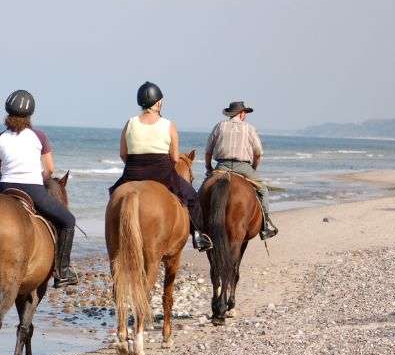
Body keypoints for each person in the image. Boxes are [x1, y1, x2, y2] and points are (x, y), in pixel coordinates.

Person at [0, 90, 78, 288]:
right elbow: (50, 169)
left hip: (4, 187)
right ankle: (62, 271)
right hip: (34, 189)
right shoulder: (39, 136)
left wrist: (8, 178)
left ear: (7, 114)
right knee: (68, 221)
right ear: (30, 115)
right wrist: (40, 178)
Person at [110, 82, 212, 251]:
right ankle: (198, 236)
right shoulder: (168, 125)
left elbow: (123, 154)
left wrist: (137, 165)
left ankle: (113, 233)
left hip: (132, 172)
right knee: (192, 197)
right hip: (161, 173)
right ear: (157, 103)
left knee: (114, 196)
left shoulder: (130, 123)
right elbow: (173, 157)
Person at [204, 101, 278, 239]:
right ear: (241, 113)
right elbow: (258, 153)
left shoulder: (219, 126)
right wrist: (253, 168)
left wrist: (208, 167)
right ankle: (266, 226)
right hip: (243, 167)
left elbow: (208, 151)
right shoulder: (249, 128)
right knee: (263, 190)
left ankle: (198, 228)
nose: (245, 115)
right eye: (245, 113)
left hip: (222, 166)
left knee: (203, 190)